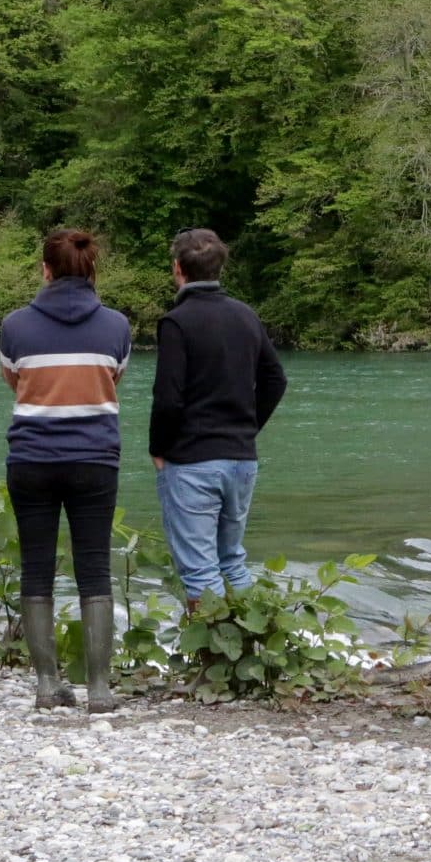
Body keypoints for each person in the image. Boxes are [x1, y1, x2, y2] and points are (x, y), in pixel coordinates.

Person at [0, 229, 133, 714]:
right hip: (95, 459)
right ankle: (98, 689)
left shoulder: (15, 325)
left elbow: (12, 379)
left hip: (31, 459)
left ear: (45, 269)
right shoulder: (116, 325)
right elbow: (114, 377)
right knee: (94, 569)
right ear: (92, 270)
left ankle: (46, 685)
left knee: (36, 571)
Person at [150, 229, 288, 608]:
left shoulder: (177, 322)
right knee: (233, 562)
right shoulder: (246, 315)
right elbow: (276, 379)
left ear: (178, 269)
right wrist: (247, 427)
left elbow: (167, 399)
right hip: (241, 457)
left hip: (193, 460)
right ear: (220, 268)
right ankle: (249, 652)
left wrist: (158, 449)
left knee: (199, 572)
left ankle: (211, 662)